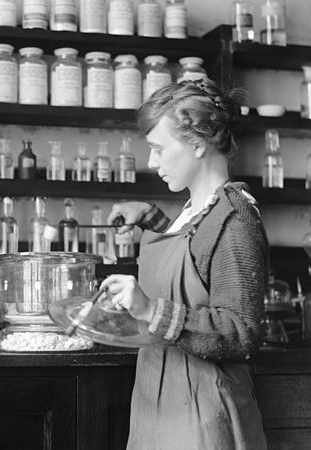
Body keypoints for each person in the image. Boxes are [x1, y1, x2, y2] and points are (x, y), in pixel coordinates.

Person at [100, 80, 268, 450]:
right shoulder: (198, 210)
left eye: (158, 149)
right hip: (160, 399)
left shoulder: (236, 219)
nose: (152, 162)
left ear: (196, 143)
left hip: (204, 412)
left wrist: (147, 308)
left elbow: (242, 333)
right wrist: (153, 219)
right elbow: (194, 255)